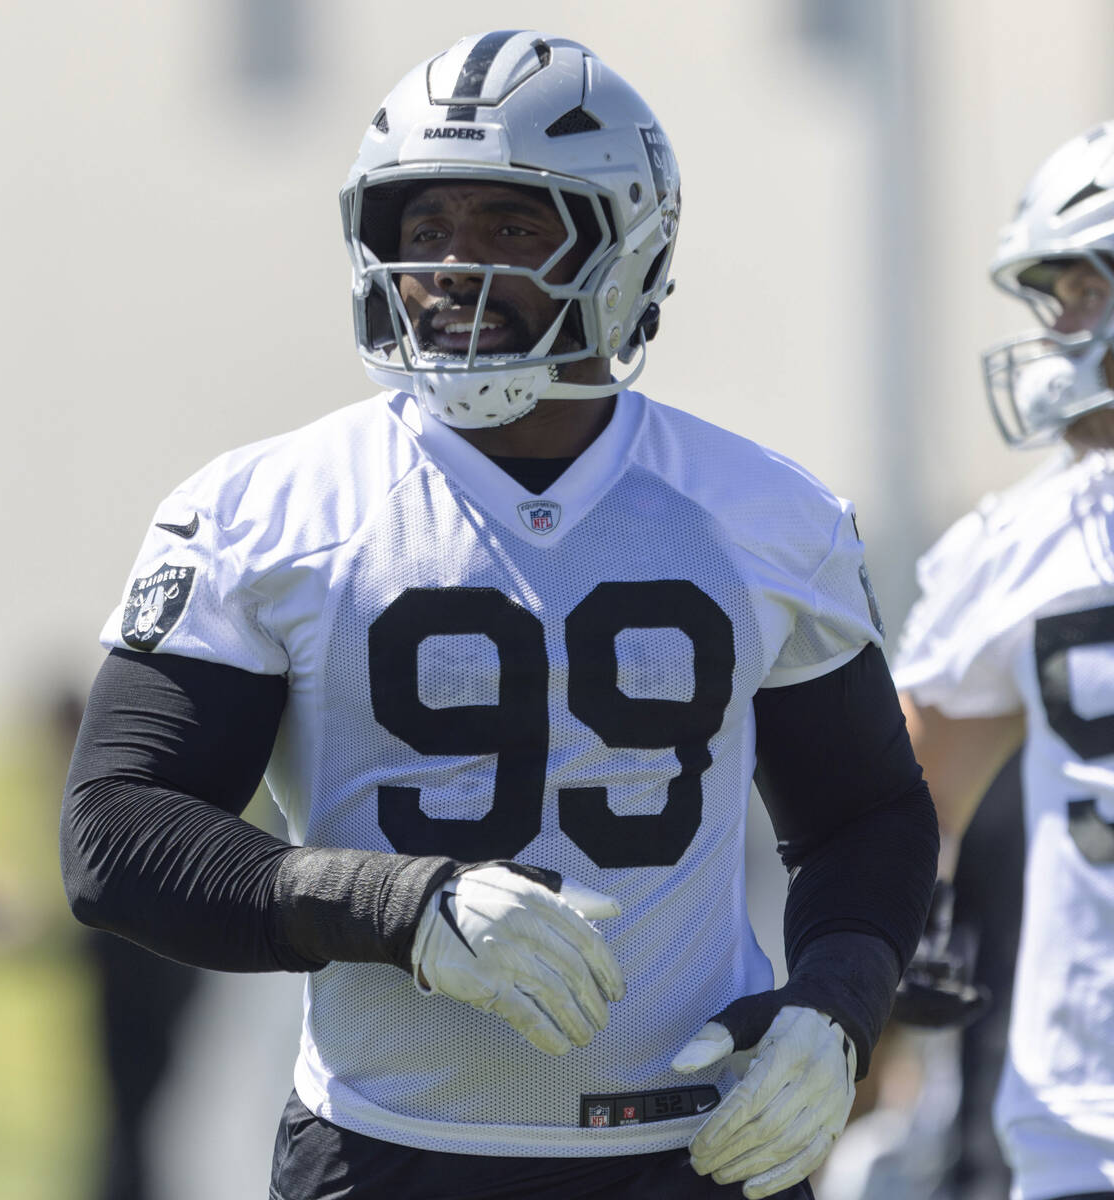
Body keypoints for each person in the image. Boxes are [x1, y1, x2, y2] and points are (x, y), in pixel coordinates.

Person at [60, 31, 937, 1200]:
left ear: (627, 246)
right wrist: (398, 908)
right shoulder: (267, 510)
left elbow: (867, 816)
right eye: (422, 229)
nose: (447, 269)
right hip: (386, 1153)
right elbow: (117, 833)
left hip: (688, 1154)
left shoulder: (764, 513)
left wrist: (836, 1008)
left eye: (509, 228)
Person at [891, 120, 1114, 1200]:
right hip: (1083, 1113)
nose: (1060, 330)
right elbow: (901, 792)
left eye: (1083, 293)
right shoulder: (1028, 538)